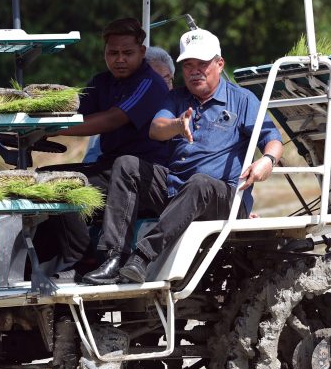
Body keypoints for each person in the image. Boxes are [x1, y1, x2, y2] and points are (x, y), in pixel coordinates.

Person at [82, 28, 284, 285]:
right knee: (126, 164)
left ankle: (143, 256)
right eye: (188, 65)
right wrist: (178, 125)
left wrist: (268, 161)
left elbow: (273, 141)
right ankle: (112, 257)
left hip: (226, 198)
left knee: (199, 182)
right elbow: (156, 129)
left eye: (202, 64)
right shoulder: (175, 98)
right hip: (177, 189)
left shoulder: (242, 99)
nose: (194, 71)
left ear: (219, 64)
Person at [33, 18, 169, 273]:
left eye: (127, 53)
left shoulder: (150, 83)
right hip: (110, 168)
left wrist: (51, 129)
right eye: (112, 53)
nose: (119, 59)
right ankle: (40, 263)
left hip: (144, 174)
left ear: (142, 52)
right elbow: (73, 111)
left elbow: (111, 119)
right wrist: (32, 117)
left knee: (64, 182)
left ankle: (82, 255)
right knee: (44, 178)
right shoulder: (102, 82)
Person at [82, 45, 174, 164]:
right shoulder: (105, 89)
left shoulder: (178, 113)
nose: (158, 88)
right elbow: (91, 161)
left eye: (166, 80)